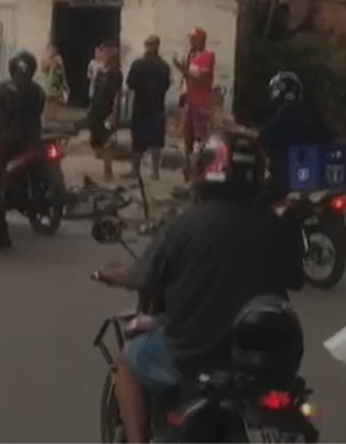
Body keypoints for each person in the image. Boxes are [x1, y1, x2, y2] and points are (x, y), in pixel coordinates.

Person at [93, 129, 304, 443]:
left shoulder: (187, 224)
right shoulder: (275, 226)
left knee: (127, 359)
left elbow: (143, 276)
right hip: (263, 361)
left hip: (194, 354)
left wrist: (110, 273)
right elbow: (295, 279)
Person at [257, 71, 334, 198]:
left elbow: (262, 141)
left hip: (286, 183)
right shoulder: (312, 119)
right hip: (315, 183)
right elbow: (328, 138)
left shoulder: (277, 123)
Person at [125, 36, 171, 181]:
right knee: (156, 141)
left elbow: (130, 83)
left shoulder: (138, 64)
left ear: (146, 46)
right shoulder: (164, 66)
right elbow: (166, 86)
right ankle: (155, 172)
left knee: (138, 140)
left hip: (141, 106)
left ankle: (135, 170)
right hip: (157, 106)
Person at [173, 27, 215, 180]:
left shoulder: (207, 56)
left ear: (201, 40)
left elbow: (198, 77)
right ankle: (189, 167)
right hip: (190, 100)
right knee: (187, 135)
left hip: (201, 102)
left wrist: (182, 67)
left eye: (193, 38)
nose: (190, 41)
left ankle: (200, 169)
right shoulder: (191, 55)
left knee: (201, 137)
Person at [88, 41, 123, 182]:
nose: (101, 55)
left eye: (104, 52)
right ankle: (104, 164)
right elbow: (95, 92)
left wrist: (114, 114)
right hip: (96, 112)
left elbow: (117, 95)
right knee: (97, 141)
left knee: (108, 139)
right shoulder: (100, 72)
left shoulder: (115, 73)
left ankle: (108, 170)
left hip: (108, 113)